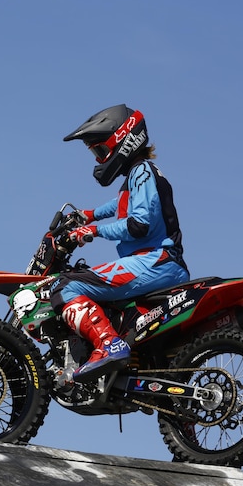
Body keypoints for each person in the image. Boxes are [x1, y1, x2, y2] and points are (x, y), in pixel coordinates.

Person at [50, 104, 189, 382]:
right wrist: (87, 215)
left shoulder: (142, 172)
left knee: (65, 285)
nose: (100, 159)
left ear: (122, 141)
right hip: (158, 263)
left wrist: (90, 232)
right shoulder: (140, 175)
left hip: (154, 260)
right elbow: (121, 204)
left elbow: (138, 225)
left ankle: (108, 344)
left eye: (101, 151)